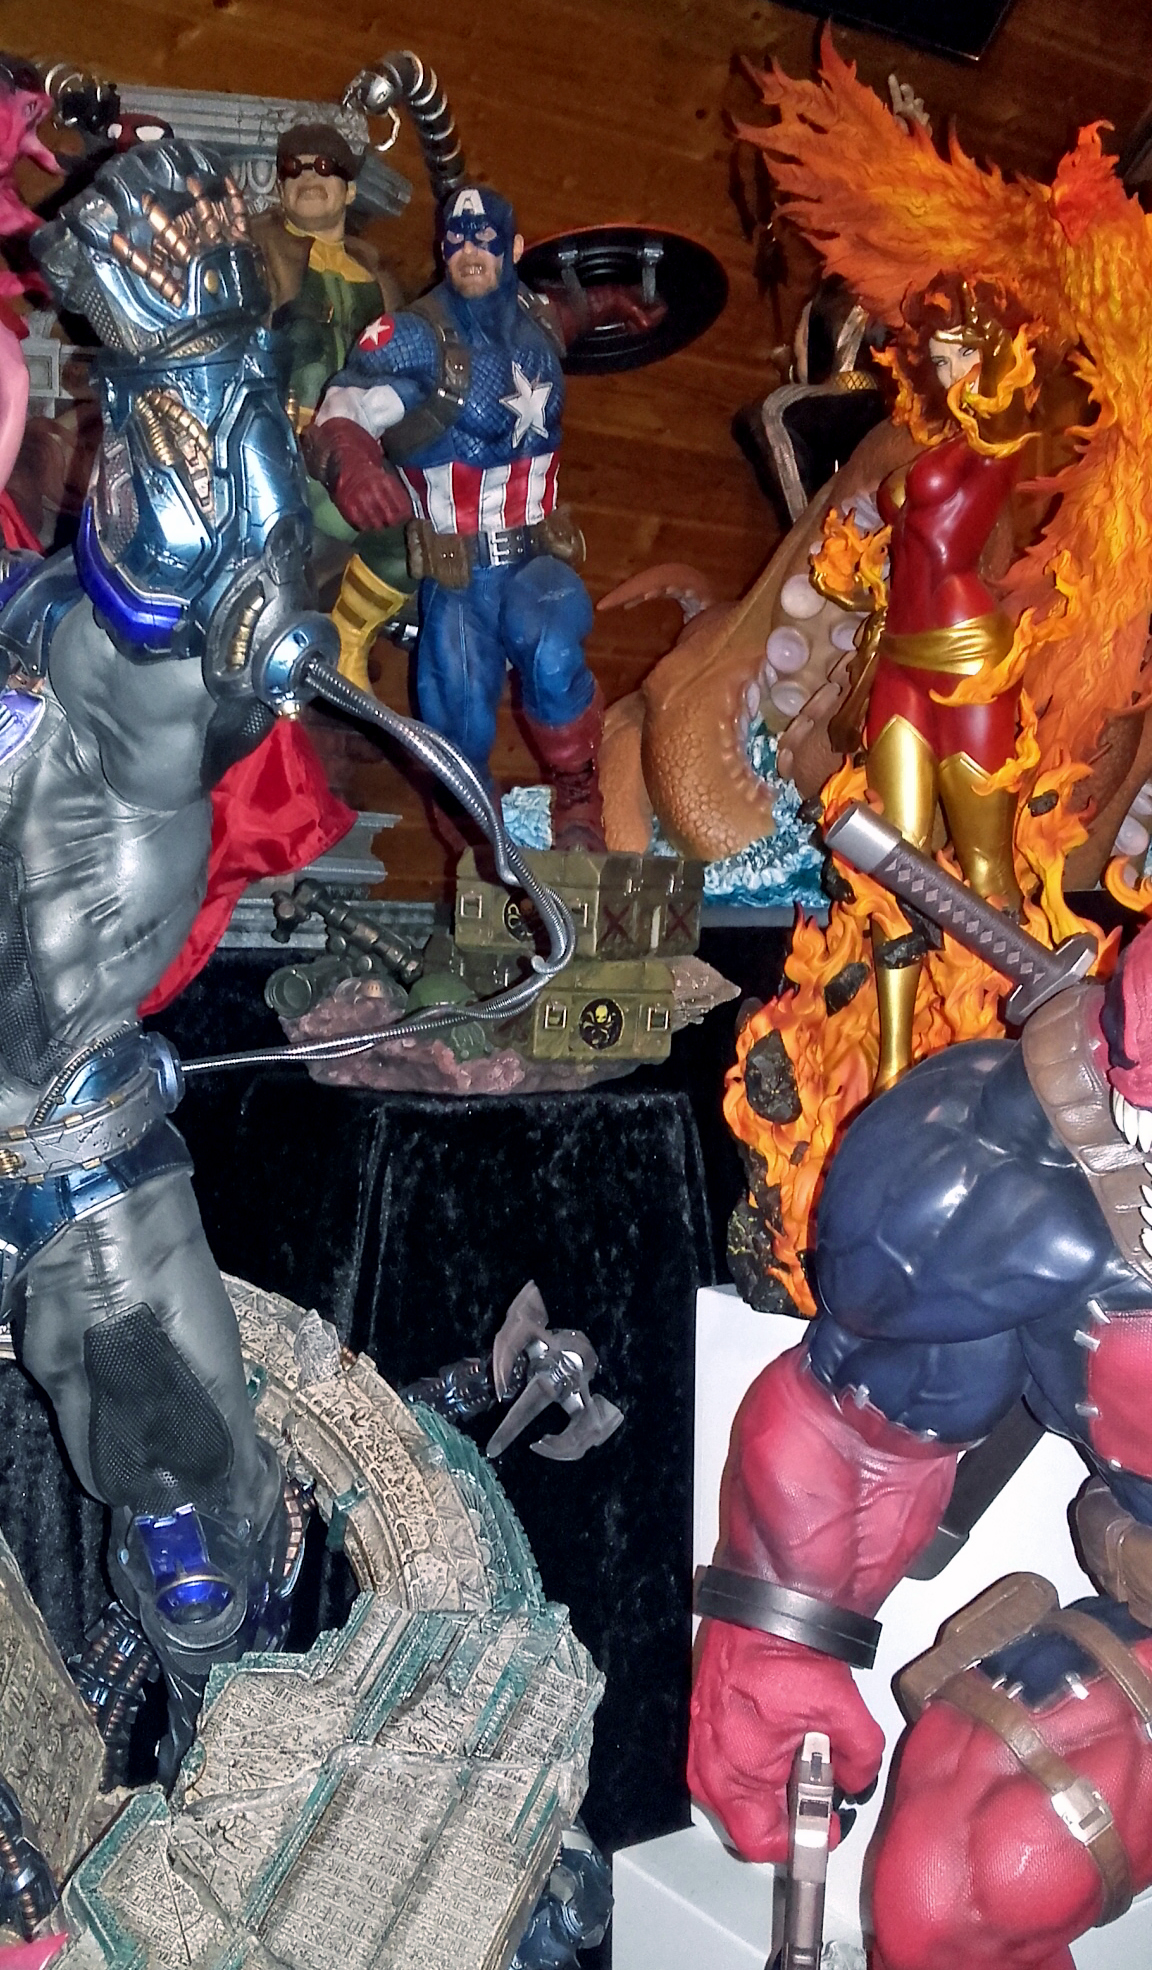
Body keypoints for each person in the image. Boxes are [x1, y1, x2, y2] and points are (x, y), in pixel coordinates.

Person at [303, 181, 660, 852]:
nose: (471, 252)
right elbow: (344, 405)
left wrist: (615, 300)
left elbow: (575, 314)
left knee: (552, 651)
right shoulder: (415, 337)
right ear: (443, 248)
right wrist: (352, 463)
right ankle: (479, 843)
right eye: (457, 240)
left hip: (535, 557)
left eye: (486, 239)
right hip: (457, 575)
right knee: (456, 726)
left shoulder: (539, 321)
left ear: (514, 248)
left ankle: (579, 795)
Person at [826, 275, 1033, 1090]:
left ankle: (1012, 1057)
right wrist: (858, 586)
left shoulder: (999, 428)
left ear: (994, 355)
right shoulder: (938, 440)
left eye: (963, 355)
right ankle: (892, 1068)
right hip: (901, 658)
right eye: (939, 359)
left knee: (986, 871)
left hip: (970, 661)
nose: (950, 374)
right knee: (895, 863)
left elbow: (1007, 399)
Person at [252, 123, 411, 689]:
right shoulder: (256, 251)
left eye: (323, 168)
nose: (307, 178)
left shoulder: (379, 279)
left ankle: (350, 637)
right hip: (278, 446)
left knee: (418, 532)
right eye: (292, 169)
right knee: (390, 530)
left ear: (349, 188)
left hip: (362, 447)